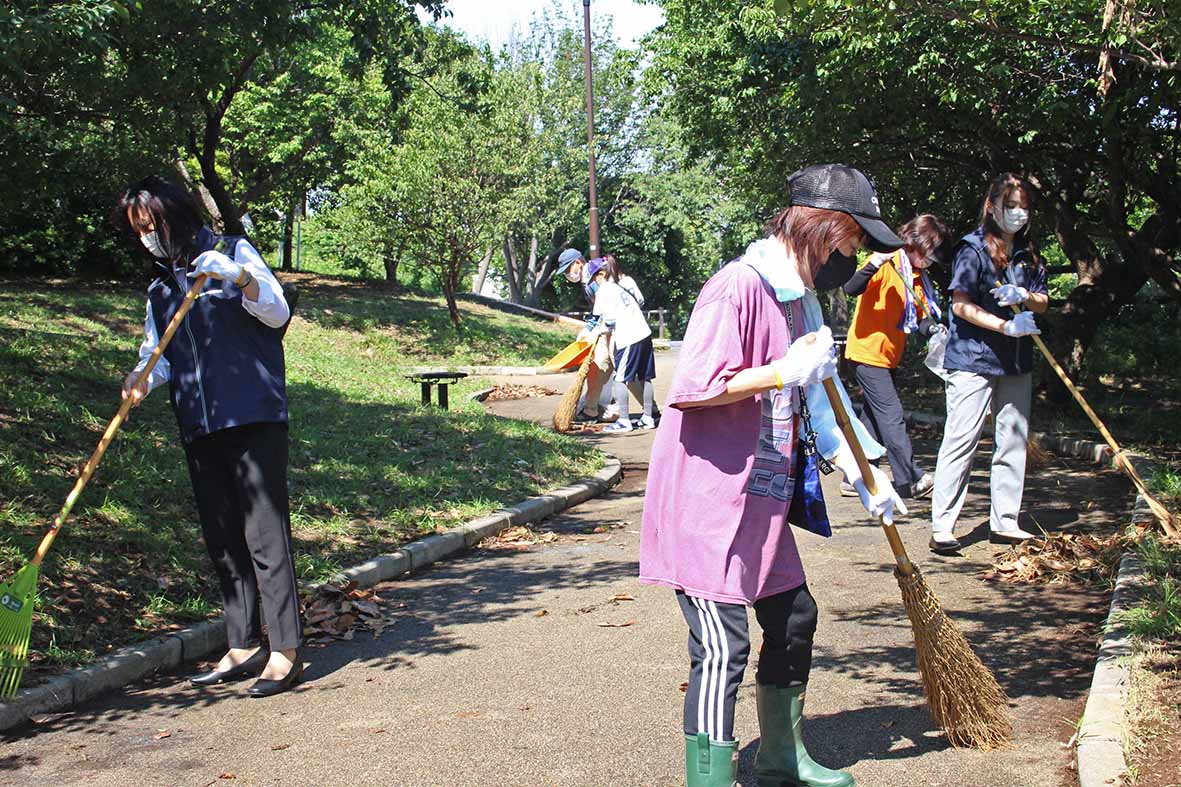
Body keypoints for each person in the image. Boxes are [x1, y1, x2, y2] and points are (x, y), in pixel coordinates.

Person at [640, 163, 908, 787]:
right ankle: (707, 779)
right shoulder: (736, 286)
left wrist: (866, 473)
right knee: (722, 645)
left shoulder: (802, 299)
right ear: (823, 227)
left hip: (760, 499)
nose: (857, 255)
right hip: (707, 503)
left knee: (793, 618)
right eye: (853, 239)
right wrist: (780, 370)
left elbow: (823, 401)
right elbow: (696, 389)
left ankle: (782, 757)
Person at [115, 175, 304, 697]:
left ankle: (286, 651)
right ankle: (242, 645)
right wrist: (140, 380)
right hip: (199, 420)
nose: (147, 238)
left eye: (151, 226)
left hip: (252, 415)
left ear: (174, 216)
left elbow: (277, 310)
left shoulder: (230, 251)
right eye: (139, 231)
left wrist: (240, 276)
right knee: (222, 537)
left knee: (265, 537)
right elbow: (158, 357)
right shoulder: (159, 288)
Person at [928, 173, 1048, 555]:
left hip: (1016, 361)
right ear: (992, 206)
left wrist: (1025, 295)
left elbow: (1044, 299)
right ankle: (942, 526)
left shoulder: (1028, 251)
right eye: (1010, 206)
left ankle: (1006, 521)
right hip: (973, 357)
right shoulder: (972, 248)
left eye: (1024, 207)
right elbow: (960, 304)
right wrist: (1005, 324)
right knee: (962, 440)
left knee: (1013, 438)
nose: (1017, 214)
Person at [841, 215, 953, 500]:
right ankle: (910, 479)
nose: (928, 262)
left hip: (889, 356)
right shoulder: (887, 263)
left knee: (873, 418)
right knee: (891, 417)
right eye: (927, 255)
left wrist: (935, 330)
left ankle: (855, 475)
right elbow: (851, 287)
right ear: (915, 243)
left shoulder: (917, 278)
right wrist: (874, 263)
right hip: (866, 353)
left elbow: (920, 318)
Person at [588, 255, 657, 433]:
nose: (594, 282)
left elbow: (609, 320)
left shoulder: (605, 290)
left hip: (629, 337)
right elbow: (638, 302)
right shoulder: (623, 282)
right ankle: (648, 418)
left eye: (594, 278)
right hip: (644, 334)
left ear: (601, 274)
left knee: (620, 379)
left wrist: (602, 329)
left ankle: (624, 421)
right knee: (645, 377)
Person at [555, 248, 618, 423]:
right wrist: (590, 328)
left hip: (618, 329)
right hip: (606, 330)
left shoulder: (596, 274)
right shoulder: (588, 279)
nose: (569, 275)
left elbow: (607, 303)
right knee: (597, 367)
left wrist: (594, 327)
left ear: (578, 262)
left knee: (629, 374)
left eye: (568, 269)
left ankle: (652, 412)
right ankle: (590, 410)